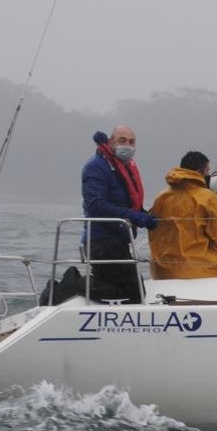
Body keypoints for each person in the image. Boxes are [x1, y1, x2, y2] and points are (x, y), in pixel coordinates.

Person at [81, 126, 157, 303]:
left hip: (119, 241)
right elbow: (95, 204)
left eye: (132, 142)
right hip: (101, 242)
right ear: (110, 142)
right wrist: (132, 216)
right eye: (122, 140)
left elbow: (126, 202)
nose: (127, 145)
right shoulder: (96, 167)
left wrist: (145, 216)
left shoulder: (124, 168)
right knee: (135, 294)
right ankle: (71, 286)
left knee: (131, 288)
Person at [148, 151, 217, 279]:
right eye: (207, 171)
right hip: (200, 271)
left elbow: (153, 233)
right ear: (199, 172)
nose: (209, 175)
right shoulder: (208, 198)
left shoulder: (161, 197)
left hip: (164, 272)